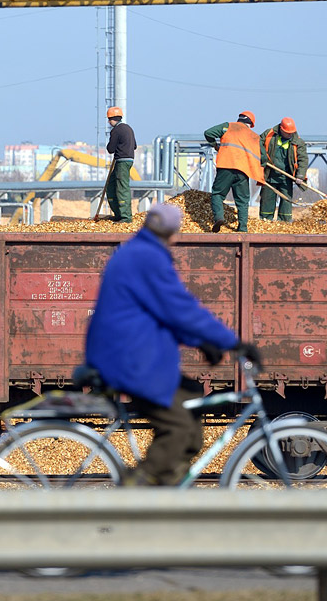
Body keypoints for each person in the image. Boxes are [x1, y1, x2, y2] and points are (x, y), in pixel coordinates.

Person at [85, 203, 253, 486]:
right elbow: (179, 309)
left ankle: (168, 479)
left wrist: (201, 341)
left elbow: (161, 312)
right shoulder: (147, 258)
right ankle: (138, 487)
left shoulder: (137, 251)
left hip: (130, 351)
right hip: (129, 359)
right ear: (174, 233)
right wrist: (231, 342)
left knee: (192, 399)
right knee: (178, 425)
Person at [204, 111, 265, 232]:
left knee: (218, 194)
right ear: (251, 124)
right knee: (242, 200)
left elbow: (208, 133)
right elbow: (263, 157)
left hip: (225, 166)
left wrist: (215, 145)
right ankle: (242, 228)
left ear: (239, 120)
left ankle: (219, 218)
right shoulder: (254, 136)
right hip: (243, 170)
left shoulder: (228, 126)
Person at [259, 117, 309, 223]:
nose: (290, 135)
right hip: (269, 175)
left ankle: (284, 223)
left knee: (286, 201)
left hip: (286, 176)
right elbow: (257, 144)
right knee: (267, 200)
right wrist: (263, 158)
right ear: (281, 129)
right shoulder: (269, 135)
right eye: (287, 133)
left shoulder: (298, 142)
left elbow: (303, 159)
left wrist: (300, 175)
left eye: (291, 132)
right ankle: (265, 222)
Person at [102, 106, 135, 222]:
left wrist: (116, 147)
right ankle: (118, 213)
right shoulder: (128, 128)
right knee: (111, 185)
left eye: (109, 119)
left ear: (112, 119)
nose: (108, 122)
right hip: (128, 160)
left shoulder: (116, 130)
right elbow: (134, 146)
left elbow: (110, 149)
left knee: (121, 188)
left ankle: (125, 217)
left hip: (122, 161)